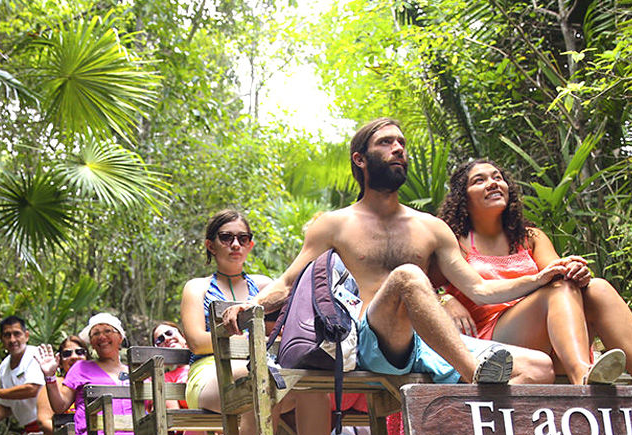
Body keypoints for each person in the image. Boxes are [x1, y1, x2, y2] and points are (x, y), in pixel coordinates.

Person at [220, 118, 555, 392]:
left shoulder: (431, 227)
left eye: (402, 144)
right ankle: (474, 377)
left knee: (539, 368)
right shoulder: (334, 225)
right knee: (408, 276)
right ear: (360, 159)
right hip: (370, 341)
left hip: (430, 345)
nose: (398, 149)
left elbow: (481, 290)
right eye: (386, 142)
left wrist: (540, 278)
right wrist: (253, 305)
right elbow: (288, 282)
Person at [436, 158, 632, 387]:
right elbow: (420, 287)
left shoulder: (529, 237)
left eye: (497, 177)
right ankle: (583, 374)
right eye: (479, 180)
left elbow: (556, 274)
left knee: (597, 288)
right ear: (463, 197)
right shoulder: (453, 240)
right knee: (557, 290)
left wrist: (575, 271)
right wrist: (446, 300)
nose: (492, 183)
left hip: (554, 343)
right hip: (496, 347)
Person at [179, 210, 331, 435]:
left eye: (242, 238)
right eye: (226, 238)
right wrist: (250, 340)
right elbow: (197, 341)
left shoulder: (262, 286)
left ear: (250, 244)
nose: (235, 244)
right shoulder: (197, 288)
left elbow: (286, 329)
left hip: (264, 369)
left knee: (310, 386)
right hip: (209, 372)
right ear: (211, 245)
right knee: (257, 380)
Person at [38, 313, 174, 435]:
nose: (101, 336)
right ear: (91, 343)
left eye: (107, 331)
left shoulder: (134, 371)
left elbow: (151, 404)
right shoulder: (82, 368)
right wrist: (50, 376)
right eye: (96, 333)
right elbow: (59, 406)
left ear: (120, 338)